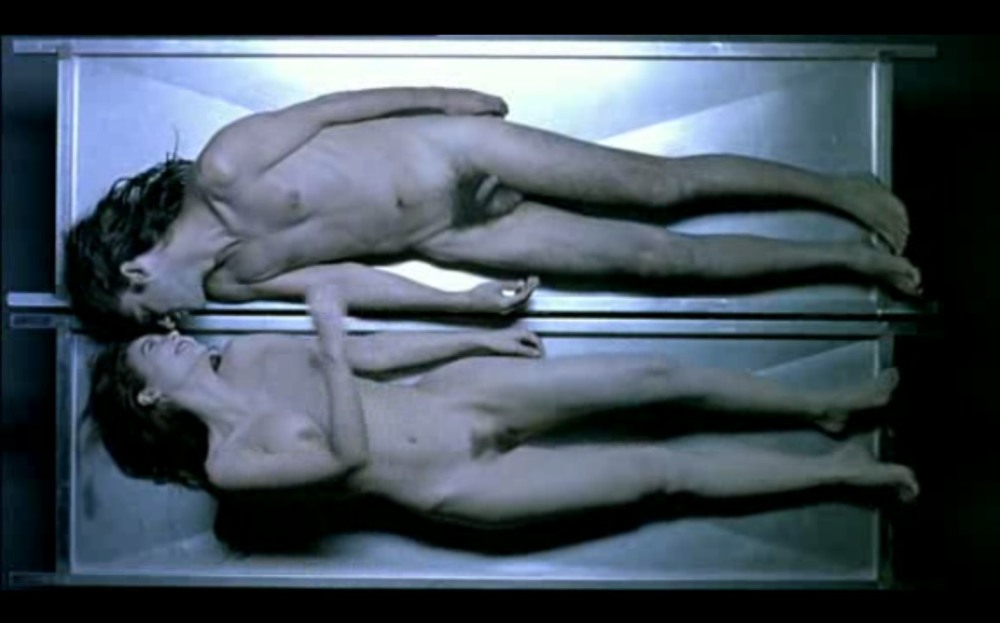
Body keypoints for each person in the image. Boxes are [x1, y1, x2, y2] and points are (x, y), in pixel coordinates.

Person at [65, 87, 921, 336]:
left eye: (145, 313)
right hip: (451, 233)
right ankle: (853, 261)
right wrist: (461, 304)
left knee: (662, 188)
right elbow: (350, 282)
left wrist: (447, 100)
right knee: (658, 262)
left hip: (455, 153)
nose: (166, 324)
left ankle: (837, 191)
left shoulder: (224, 164)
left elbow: (333, 109)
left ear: (136, 268)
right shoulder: (236, 282)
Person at [85, 283, 918, 531]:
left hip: (455, 397)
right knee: (661, 472)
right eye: (153, 347)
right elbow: (345, 457)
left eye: (163, 331)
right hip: (455, 482)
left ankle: (825, 404)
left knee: (656, 372)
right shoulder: (230, 465)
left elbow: (371, 354)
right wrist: (332, 346)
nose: (170, 335)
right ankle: (841, 471)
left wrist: (471, 332)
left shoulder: (253, 351)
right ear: (148, 393)